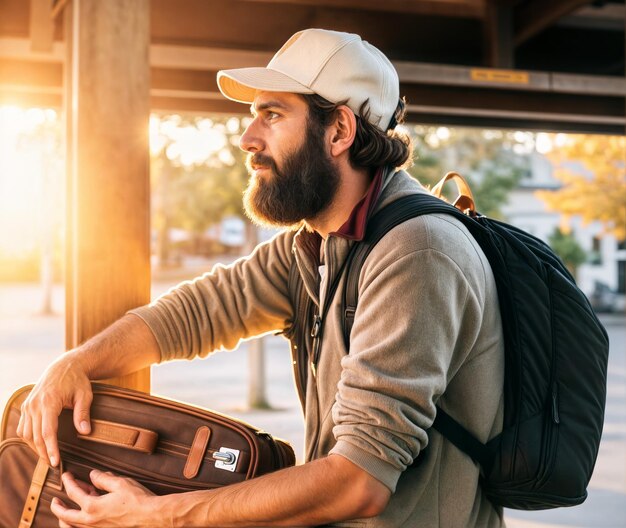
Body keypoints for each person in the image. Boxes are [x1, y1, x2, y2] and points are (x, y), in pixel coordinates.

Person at [18, 28, 505, 527]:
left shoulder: (416, 252)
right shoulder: (320, 242)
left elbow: (359, 481)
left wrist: (158, 516)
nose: (248, 139)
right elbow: (196, 313)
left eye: (272, 115)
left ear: (339, 131)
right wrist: (76, 363)